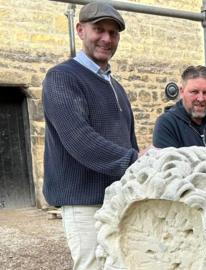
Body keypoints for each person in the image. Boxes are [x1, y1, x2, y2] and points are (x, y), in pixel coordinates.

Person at [42, 2, 139, 269]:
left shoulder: (116, 86)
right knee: (93, 265)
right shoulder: (61, 78)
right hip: (84, 202)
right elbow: (79, 139)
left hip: (117, 198)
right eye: (99, 30)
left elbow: (129, 140)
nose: (107, 38)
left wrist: (136, 179)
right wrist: (135, 161)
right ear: (80, 30)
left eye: (113, 33)